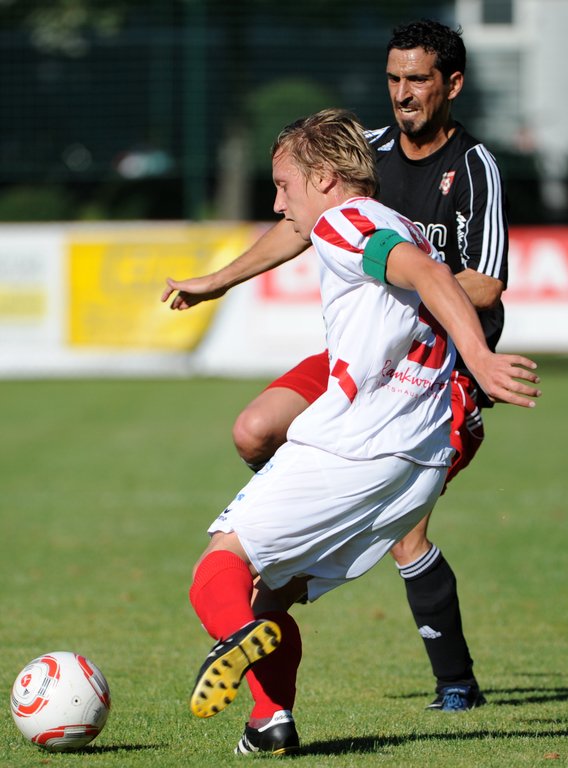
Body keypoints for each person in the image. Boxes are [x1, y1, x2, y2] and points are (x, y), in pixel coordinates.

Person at [162, 21, 508, 712]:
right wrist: (220, 280)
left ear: (452, 84)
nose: (402, 93)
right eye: (393, 79)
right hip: (358, 357)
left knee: (402, 536)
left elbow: (486, 282)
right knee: (254, 429)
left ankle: (454, 680)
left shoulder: (474, 167)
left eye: (417, 80)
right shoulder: (362, 157)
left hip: (431, 368)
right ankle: (308, 514)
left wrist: (415, 288)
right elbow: (303, 223)